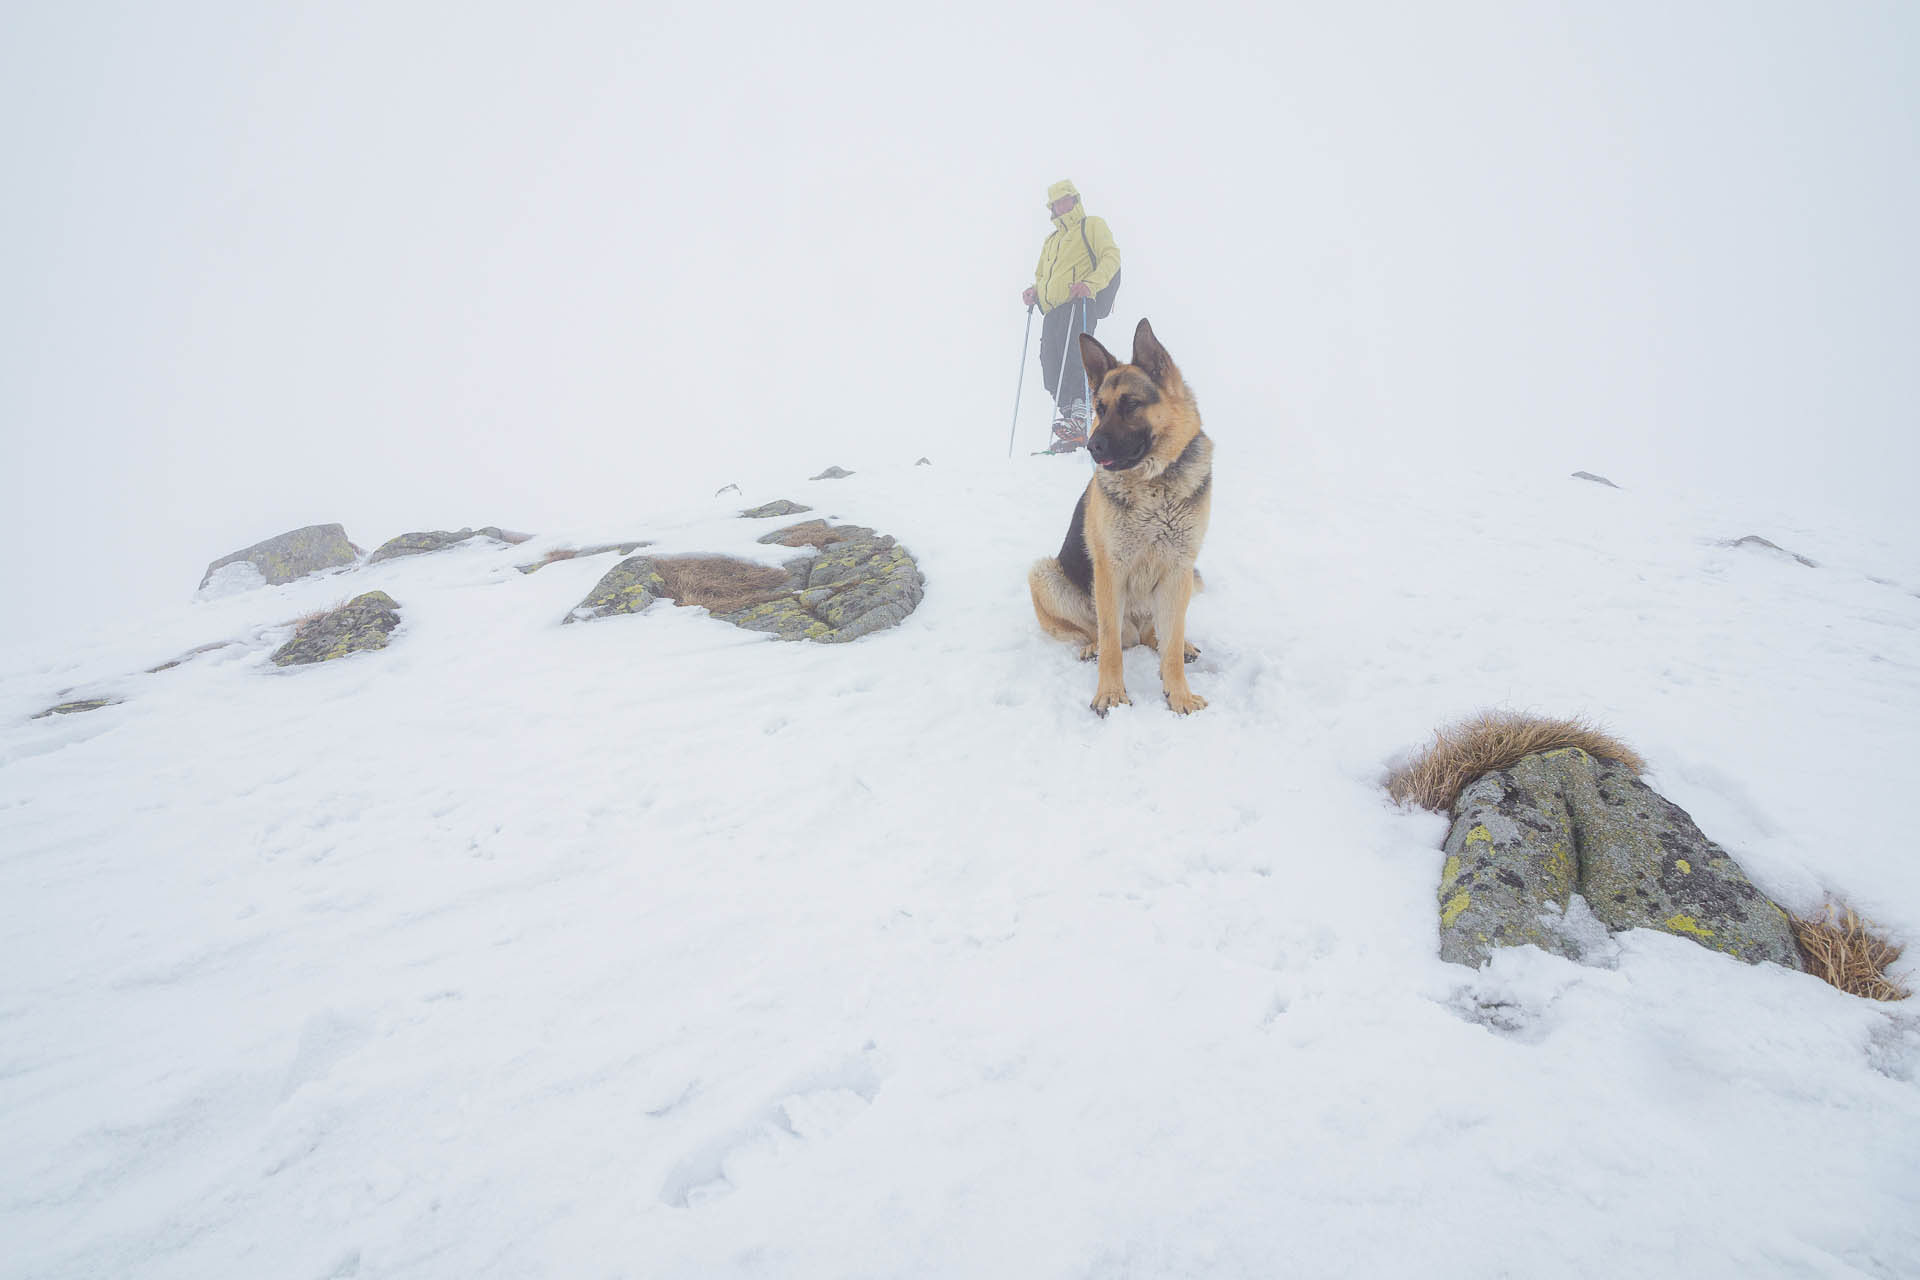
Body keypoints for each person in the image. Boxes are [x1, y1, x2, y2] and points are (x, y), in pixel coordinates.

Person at [1021, 179, 1121, 451]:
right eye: (1056, 202)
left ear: (1075, 200)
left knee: (1074, 360)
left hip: (1079, 303)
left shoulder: (1091, 225)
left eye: (1066, 199)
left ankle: (1081, 417)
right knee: (1050, 367)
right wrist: (1034, 291)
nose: (1061, 205)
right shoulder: (1051, 241)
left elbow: (1111, 257)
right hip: (1052, 309)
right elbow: (1042, 275)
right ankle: (1073, 424)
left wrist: (1091, 284)